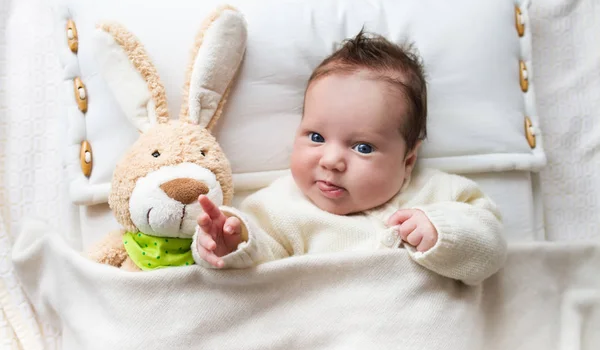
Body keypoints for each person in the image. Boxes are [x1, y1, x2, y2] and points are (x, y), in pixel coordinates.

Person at [191, 30, 507, 285]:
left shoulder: (438, 194)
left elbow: (491, 247)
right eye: (316, 137)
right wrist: (231, 245)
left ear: (408, 161)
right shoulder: (278, 208)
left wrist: (443, 233)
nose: (331, 161)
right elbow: (258, 273)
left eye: (363, 147)